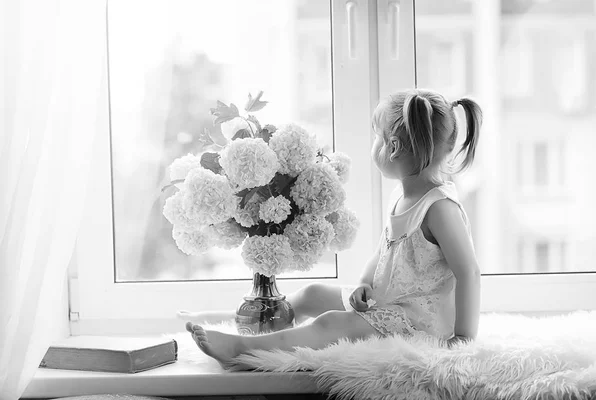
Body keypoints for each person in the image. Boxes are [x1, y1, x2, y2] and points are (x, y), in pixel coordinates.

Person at [184, 88, 482, 369]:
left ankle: (241, 349)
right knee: (313, 293)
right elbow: (384, 252)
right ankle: (249, 325)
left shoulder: (440, 208)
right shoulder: (403, 197)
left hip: (416, 321)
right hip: (388, 301)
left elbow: (468, 271)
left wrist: (463, 338)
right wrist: (365, 283)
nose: (374, 144)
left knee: (330, 324)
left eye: (377, 137)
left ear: (393, 148)